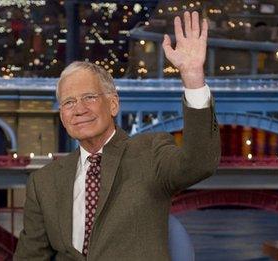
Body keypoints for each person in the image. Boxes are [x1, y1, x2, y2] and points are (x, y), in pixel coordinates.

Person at [14, 11, 221, 261]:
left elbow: (200, 162)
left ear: (113, 104)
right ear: (62, 116)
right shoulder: (43, 182)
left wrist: (192, 78)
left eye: (89, 97)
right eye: (69, 102)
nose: (79, 109)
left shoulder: (151, 153)